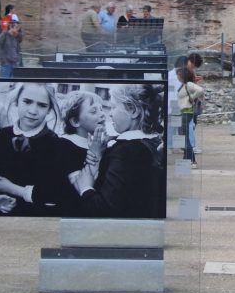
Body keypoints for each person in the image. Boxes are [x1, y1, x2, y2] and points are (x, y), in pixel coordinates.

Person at [70, 84, 165, 218]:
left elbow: (103, 208)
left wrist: (85, 188)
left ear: (133, 111)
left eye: (114, 107)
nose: (109, 113)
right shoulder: (154, 142)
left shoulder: (126, 152)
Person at [0, 84, 74, 217]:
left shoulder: (58, 146)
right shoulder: (1, 136)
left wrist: (15, 190)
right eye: (27, 102)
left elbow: (56, 193)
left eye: (42, 105)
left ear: (49, 109)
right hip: (0, 218)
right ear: (16, 102)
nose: (33, 111)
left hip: (37, 220)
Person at [177, 67, 204, 169]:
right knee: (185, 137)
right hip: (183, 113)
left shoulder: (188, 84)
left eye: (179, 75)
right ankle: (190, 160)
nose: (177, 76)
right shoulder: (184, 85)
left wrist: (192, 97)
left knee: (185, 138)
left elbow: (200, 90)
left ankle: (189, 160)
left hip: (186, 113)